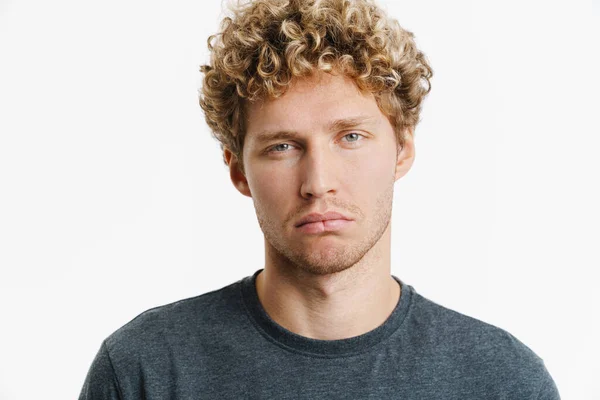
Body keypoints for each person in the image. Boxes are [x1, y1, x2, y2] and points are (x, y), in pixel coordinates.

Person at [79, 0, 561, 398]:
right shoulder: (145, 371)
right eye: (282, 146)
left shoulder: (503, 382)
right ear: (237, 170)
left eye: (350, 137)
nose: (318, 182)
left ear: (402, 150)